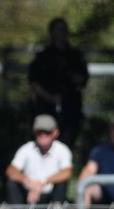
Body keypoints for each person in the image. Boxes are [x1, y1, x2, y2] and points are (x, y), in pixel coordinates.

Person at [5, 114, 73, 209]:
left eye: (46, 132)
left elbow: (67, 172)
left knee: (62, 184)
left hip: (49, 195)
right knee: (12, 184)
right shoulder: (26, 149)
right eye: (39, 132)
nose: (42, 135)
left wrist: (43, 183)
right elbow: (11, 171)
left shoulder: (62, 150)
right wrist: (29, 182)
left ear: (55, 133)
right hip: (28, 195)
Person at [28, 17, 88, 149]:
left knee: (66, 145)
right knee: (44, 145)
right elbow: (34, 82)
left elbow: (83, 80)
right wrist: (50, 98)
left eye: (63, 29)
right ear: (51, 32)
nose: (61, 33)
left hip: (70, 108)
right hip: (46, 108)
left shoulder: (75, 56)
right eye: (58, 29)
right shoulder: (43, 57)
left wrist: (71, 76)